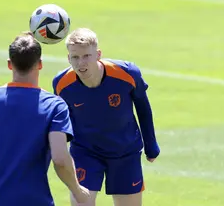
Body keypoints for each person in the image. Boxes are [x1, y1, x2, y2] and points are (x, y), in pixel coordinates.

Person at [0, 32, 90, 206]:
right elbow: (60, 159)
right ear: (40, 64)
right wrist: (78, 191)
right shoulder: (54, 106)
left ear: (10, 64)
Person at [52, 28, 160, 206]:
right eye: (75, 57)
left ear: (98, 55)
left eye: (87, 56)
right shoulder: (62, 83)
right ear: (68, 58)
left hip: (125, 152)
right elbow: (62, 121)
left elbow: (143, 106)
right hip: (85, 152)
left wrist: (151, 144)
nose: (81, 63)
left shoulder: (127, 73)